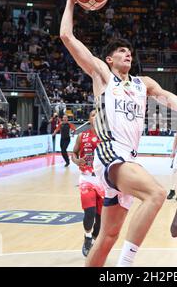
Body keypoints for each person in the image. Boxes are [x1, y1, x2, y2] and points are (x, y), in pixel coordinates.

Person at [60, 0, 177, 267]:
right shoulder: (102, 75)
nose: (127, 53)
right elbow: (66, 35)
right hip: (110, 153)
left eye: (129, 51)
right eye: (121, 51)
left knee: (109, 236)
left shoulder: (144, 84)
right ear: (109, 59)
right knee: (157, 194)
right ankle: (125, 266)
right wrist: (71, 0)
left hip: (129, 157)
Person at [71, 110, 104, 257]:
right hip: (86, 179)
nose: (96, 116)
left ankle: (95, 240)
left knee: (100, 219)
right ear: (89, 119)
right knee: (89, 213)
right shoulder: (81, 136)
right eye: (92, 114)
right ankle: (87, 237)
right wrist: (76, 160)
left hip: (103, 180)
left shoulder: (109, 137)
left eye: (98, 114)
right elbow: (74, 153)